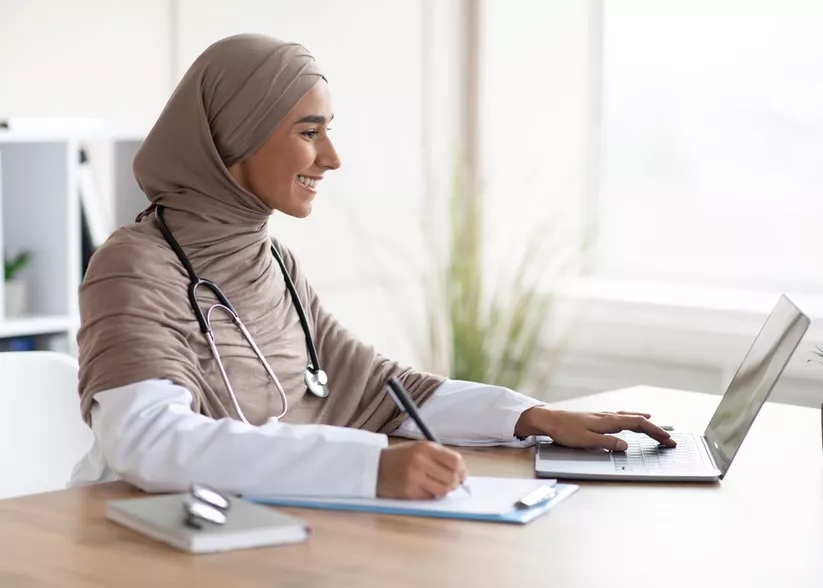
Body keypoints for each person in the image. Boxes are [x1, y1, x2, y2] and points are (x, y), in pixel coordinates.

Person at [70, 33, 674, 500]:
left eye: (329, 131)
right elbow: (148, 440)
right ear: (234, 138)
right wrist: (369, 466)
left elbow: (380, 390)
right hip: (139, 540)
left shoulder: (269, 261)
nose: (331, 157)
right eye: (309, 132)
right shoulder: (135, 266)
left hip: (260, 526)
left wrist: (528, 416)